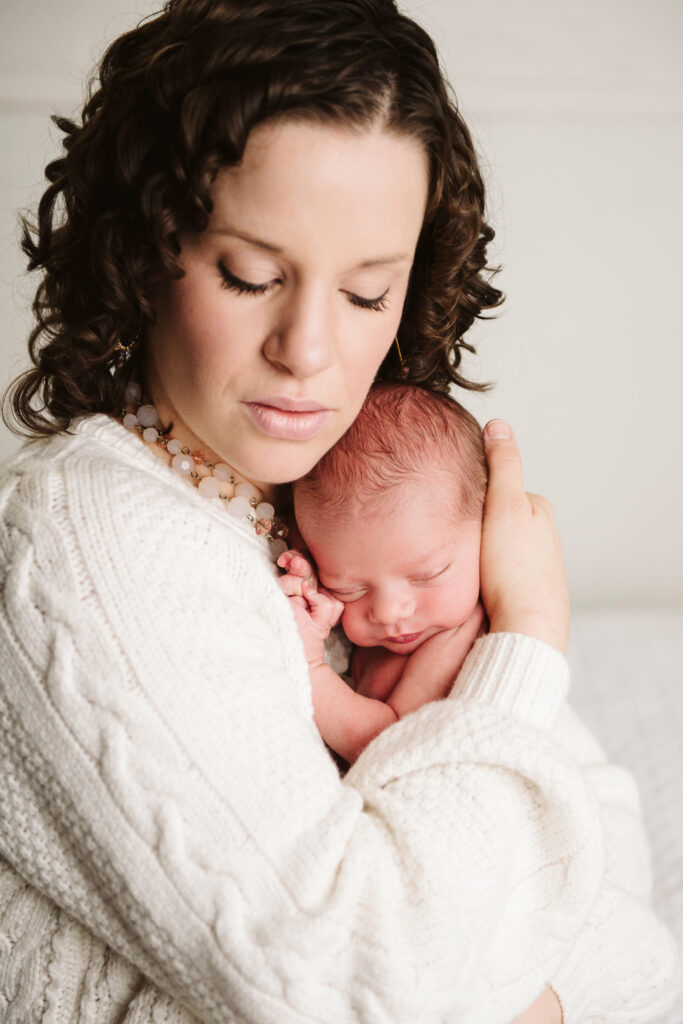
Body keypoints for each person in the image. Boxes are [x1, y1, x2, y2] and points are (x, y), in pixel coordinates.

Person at [0, 0, 679, 1022]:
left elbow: (626, 898)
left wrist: (547, 991)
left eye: (367, 293)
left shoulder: (341, 504)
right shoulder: (93, 537)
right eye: (250, 274)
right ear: (140, 252)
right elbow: (340, 985)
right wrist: (527, 639)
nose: (308, 351)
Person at [278, 383, 489, 764]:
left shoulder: (461, 635)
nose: (389, 612)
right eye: (351, 587)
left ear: (489, 529)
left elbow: (389, 741)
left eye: (428, 574)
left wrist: (310, 666)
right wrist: (314, 586)